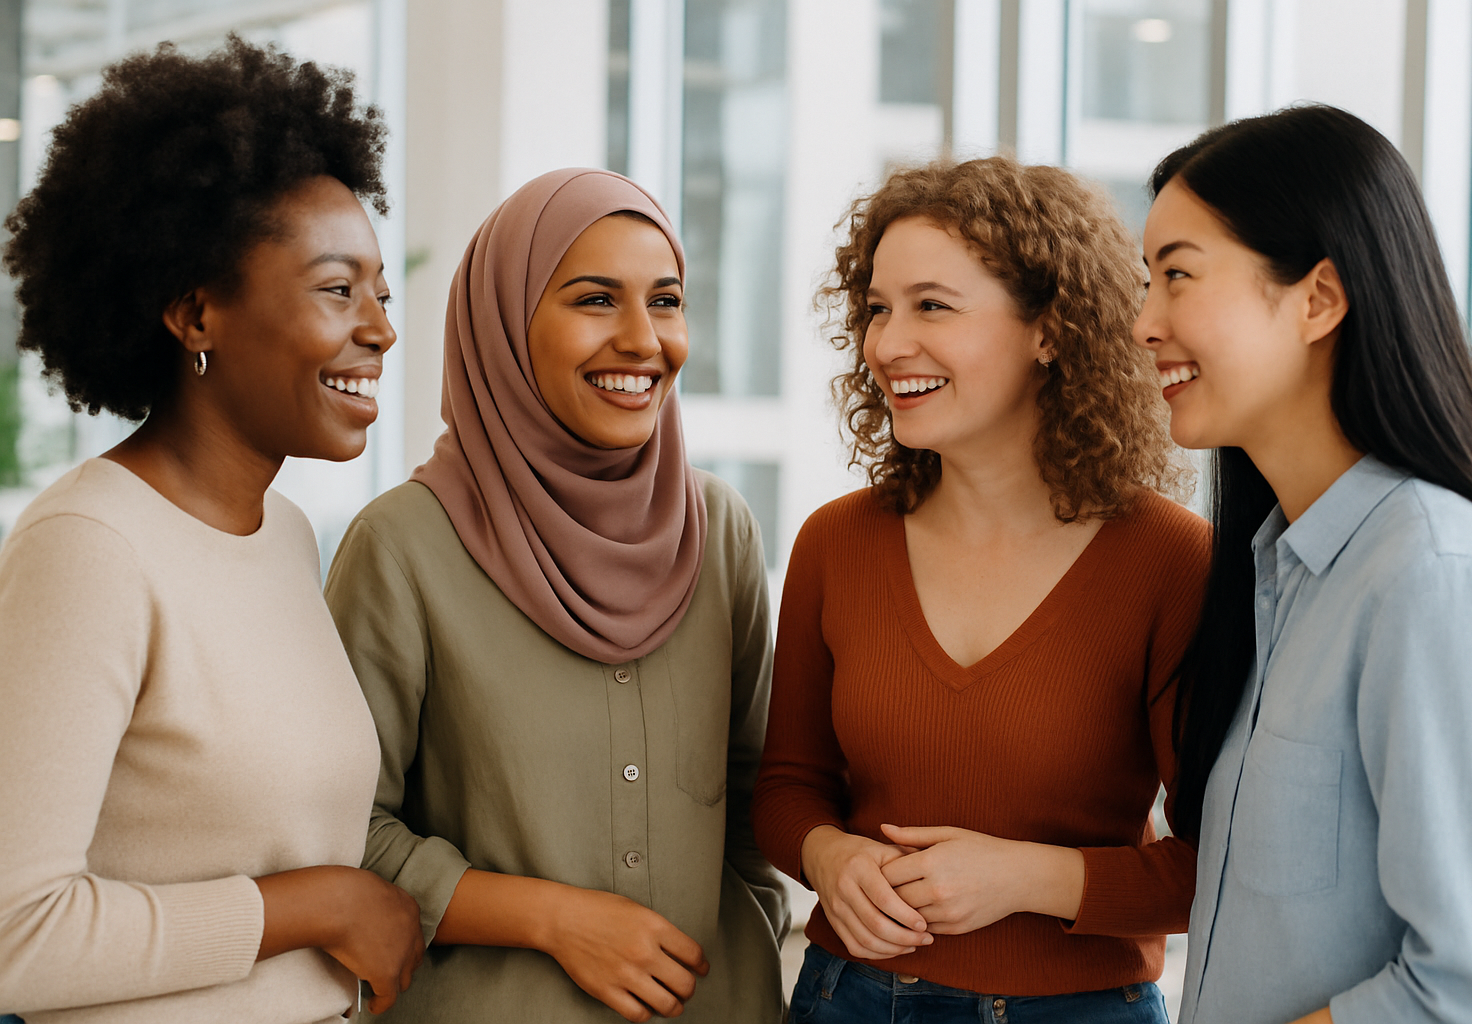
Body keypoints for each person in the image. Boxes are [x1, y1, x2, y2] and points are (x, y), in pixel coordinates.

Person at [0, 38, 425, 1024]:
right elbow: (17, 936)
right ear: (197, 313)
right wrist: (315, 902)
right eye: (337, 289)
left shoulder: (284, 534)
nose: (382, 330)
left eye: (381, 293)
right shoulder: (89, 547)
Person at [323, 167, 788, 1023]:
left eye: (668, 300)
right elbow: (340, 834)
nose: (645, 340)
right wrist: (554, 920)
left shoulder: (720, 529)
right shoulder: (403, 547)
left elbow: (756, 798)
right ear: (503, 325)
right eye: (595, 301)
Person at [753, 156, 1209, 1024]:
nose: (887, 344)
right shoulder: (835, 542)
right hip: (847, 1001)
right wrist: (827, 856)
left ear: (1050, 329)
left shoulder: (1171, 560)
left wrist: (1028, 878)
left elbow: (1215, 865)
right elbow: (786, 784)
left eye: (932, 305)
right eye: (877, 310)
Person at [1136, 104, 1472, 1024]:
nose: (1143, 322)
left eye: (1178, 277)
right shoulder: (1283, 574)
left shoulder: (1431, 574)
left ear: (1318, 298)